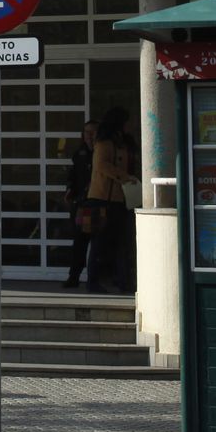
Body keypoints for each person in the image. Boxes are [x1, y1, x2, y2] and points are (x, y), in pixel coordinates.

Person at [87, 106, 134, 293]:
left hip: (119, 199)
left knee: (122, 242)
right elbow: (102, 165)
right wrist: (124, 176)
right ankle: (93, 281)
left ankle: (123, 280)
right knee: (99, 242)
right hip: (102, 200)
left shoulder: (121, 142)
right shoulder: (104, 143)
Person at [61, 120, 97, 289]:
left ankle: (95, 279)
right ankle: (74, 277)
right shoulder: (80, 154)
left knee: (99, 243)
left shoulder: (103, 152)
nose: (89, 136)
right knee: (79, 242)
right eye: (86, 132)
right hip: (81, 205)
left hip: (98, 203)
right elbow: (73, 176)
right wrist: (69, 190)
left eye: (93, 132)